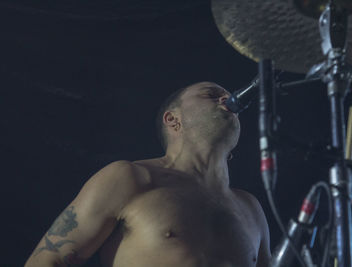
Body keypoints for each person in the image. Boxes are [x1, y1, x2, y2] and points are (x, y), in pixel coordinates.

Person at [25, 81, 271, 267]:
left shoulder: (251, 208)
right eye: (211, 95)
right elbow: (48, 259)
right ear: (173, 120)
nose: (228, 99)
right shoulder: (128, 178)